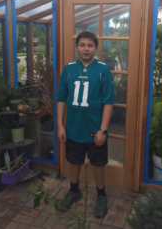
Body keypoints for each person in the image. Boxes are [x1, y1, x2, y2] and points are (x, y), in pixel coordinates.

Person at [56, 31, 115, 218]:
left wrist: (103, 129)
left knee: (97, 163)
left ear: (96, 48)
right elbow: (61, 98)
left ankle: (101, 195)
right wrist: (60, 125)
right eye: (82, 45)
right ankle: (74, 190)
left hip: (95, 130)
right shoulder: (69, 69)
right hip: (73, 128)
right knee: (74, 160)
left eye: (90, 45)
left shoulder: (103, 69)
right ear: (76, 47)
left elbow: (108, 101)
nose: (86, 48)